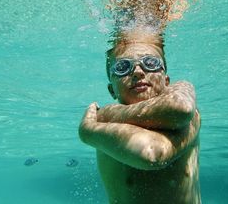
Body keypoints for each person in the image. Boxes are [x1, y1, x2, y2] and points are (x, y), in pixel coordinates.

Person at [79, 29, 201, 204]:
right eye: (122, 67)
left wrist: (96, 124)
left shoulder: (101, 121)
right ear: (111, 89)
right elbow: (149, 152)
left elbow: (181, 107)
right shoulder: (101, 121)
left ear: (166, 80)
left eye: (150, 63)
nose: (137, 71)